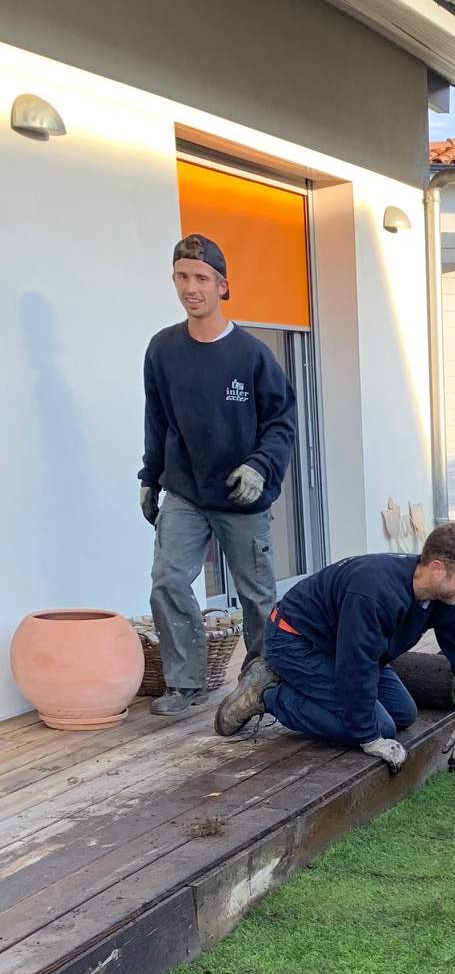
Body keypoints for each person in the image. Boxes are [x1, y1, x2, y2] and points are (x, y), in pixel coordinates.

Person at [139, 234, 298, 719]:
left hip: (241, 493)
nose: (192, 287)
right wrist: (151, 476)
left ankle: (262, 677)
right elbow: (158, 418)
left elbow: (282, 423)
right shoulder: (163, 350)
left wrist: (259, 466)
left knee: (257, 595)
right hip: (186, 489)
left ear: (222, 285)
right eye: (183, 277)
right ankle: (188, 682)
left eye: (202, 278)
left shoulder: (250, 356)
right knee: (166, 580)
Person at [213, 522, 455, 772]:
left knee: (403, 714)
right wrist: (369, 738)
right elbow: (355, 667)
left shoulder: (448, 600)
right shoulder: (374, 591)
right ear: (436, 568)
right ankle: (267, 695)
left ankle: (297, 687)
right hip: (295, 641)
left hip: (342, 647)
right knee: (378, 727)